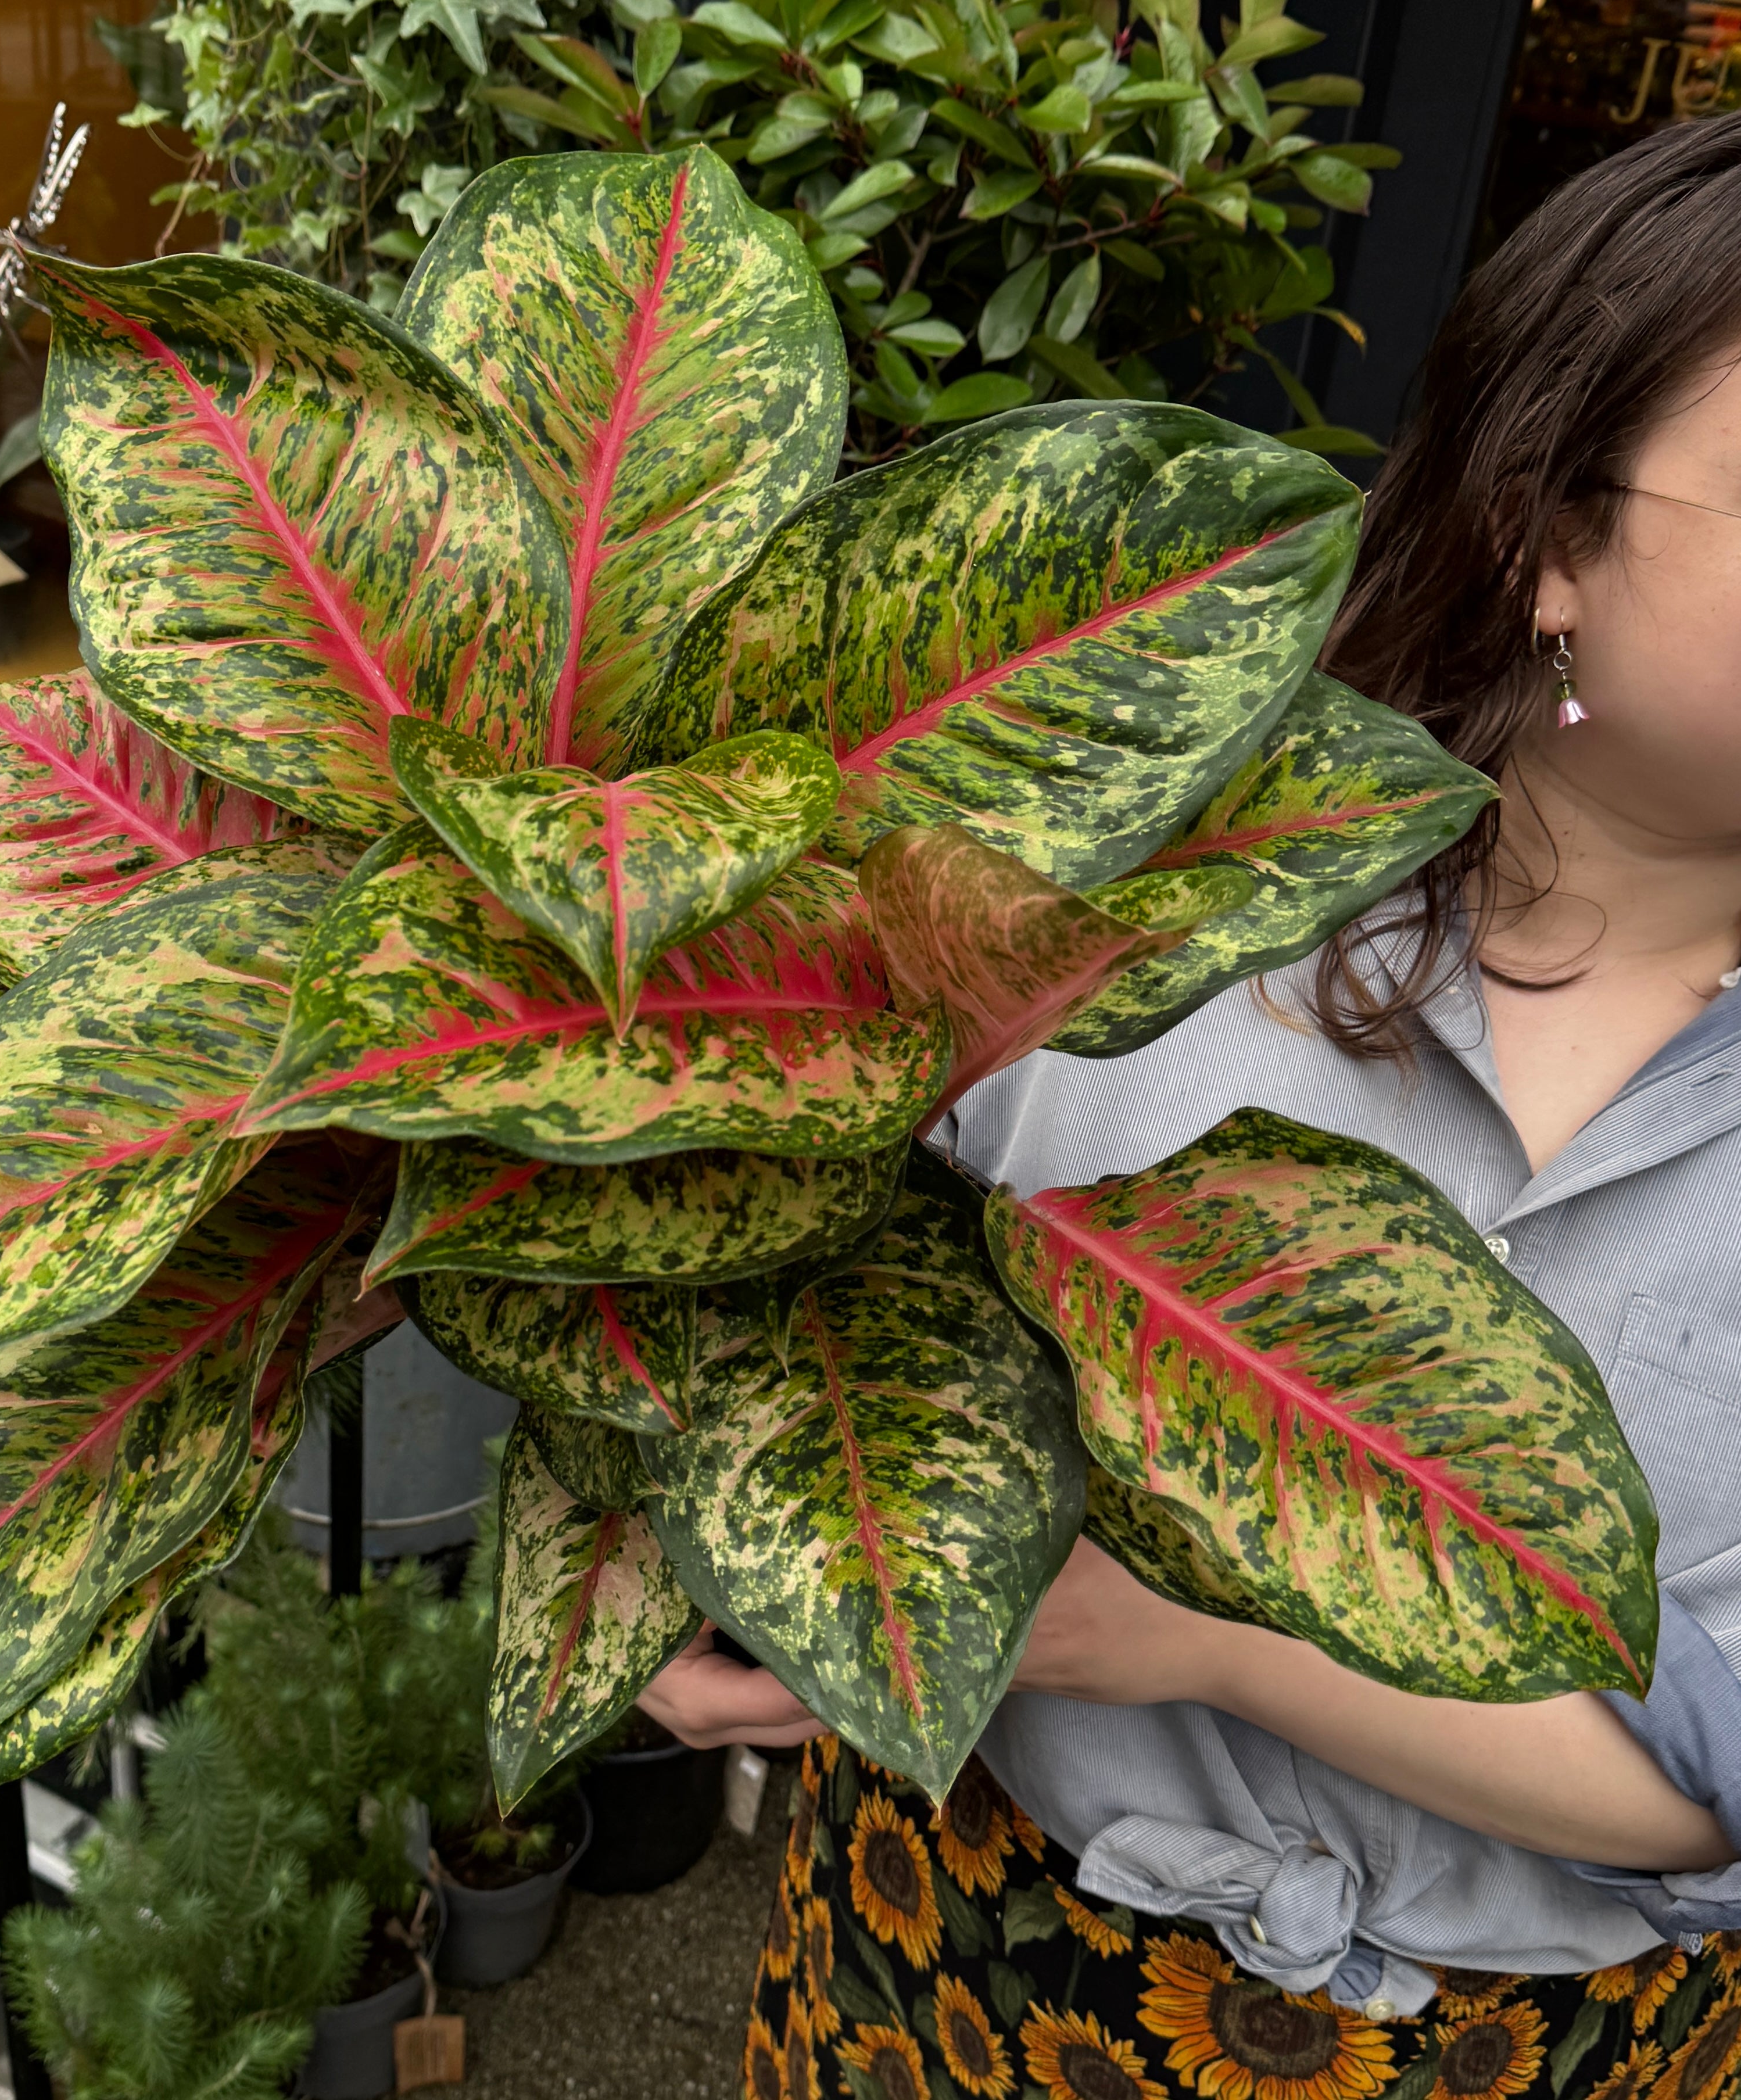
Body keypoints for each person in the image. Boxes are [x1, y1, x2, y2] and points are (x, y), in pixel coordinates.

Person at [639, 110, 1741, 2100]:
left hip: (1542, 2047)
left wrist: (1207, 1632)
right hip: (959, 1956)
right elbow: (759, 1257)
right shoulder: (1121, 876)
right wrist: (675, 1544)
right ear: (1545, 532)